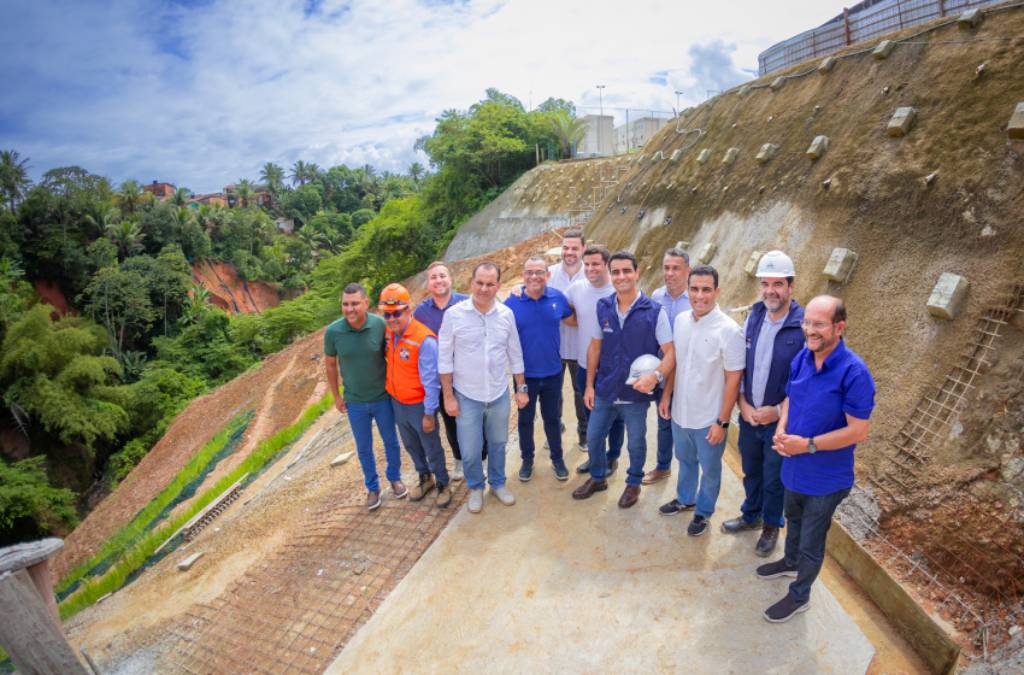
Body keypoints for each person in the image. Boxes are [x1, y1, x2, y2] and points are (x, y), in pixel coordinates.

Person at [758, 295, 875, 623]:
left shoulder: (855, 372)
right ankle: (790, 562)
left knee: (812, 538)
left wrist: (806, 445)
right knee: (792, 519)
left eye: (819, 324)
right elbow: (791, 398)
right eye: (807, 322)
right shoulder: (803, 358)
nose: (810, 330)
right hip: (794, 467)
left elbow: (858, 431)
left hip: (826, 478)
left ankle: (800, 595)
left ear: (839, 327)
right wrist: (781, 428)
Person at [572, 251, 674, 509]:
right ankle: (598, 478)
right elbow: (595, 347)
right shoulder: (604, 306)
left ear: (637, 273)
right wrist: (589, 386)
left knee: (636, 442)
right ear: (610, 274)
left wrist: (656, 376)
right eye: (615, 271)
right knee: (594, 437)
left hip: (635, 394)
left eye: (626, 270)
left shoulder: (654, 311)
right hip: (606, 388)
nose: (621, 276)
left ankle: (633, 483)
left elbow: (671, 353)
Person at [721, 251, 805, 557]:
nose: (771, 290)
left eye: (778, 284)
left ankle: (771, 526)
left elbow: (807, 384)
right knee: (751, 470)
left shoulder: (803, 327)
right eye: (765, 283)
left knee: (774, 479)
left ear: (791, 287)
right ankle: (751, 514)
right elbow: (740, 364)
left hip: (779, 423)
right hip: (749, 416)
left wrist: (779, 411)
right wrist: (742, 403)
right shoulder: (755, 316)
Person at [658, 264, 744, 536]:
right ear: (688, 289)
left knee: (709, 470)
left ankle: (703, 511)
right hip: (680, 413)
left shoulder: (729, 331)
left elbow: (733, 379)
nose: (699, 295)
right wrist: (667, 395)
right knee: (684, 460)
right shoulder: (681, 320)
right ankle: (685, 498)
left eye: (706, 289)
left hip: (708, 419)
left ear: (717, 291)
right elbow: (676, 363)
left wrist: (722, 421)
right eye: (694, 289)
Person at [438, 261, 529, 514]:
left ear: (498, 285)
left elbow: (515, 354)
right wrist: (448, 396)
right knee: (469, 450)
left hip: (498, 394)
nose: (484, 289)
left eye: (490, 284)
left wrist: (521, 389)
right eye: (480, 283)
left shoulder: (505, 315)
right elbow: (444, 359)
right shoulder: (454, 315)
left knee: (499, 443)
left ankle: (498, 484)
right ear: (471, 283)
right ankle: (476, 487)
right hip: (467, 396)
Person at [324, 283, 406, 511]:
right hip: (355, 402)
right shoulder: (333, 332)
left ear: (366, 303)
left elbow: (394, 355)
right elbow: (330, 366)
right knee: (364, 447)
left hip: (383, 397)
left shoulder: (380, 325)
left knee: (391, 441)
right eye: (345, 304)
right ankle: (372, 487)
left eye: (354, 304)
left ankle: (395, 478)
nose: (349, 309)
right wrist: (336, 397)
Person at [379, 283, 452, 509]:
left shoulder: (424, 340)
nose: (391, 318)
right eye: (387, 314)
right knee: (411, 444)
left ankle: (442, 483)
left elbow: (432, 382)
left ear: (408, 310)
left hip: (420, 404)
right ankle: (425, 477)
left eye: (396, 313)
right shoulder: (390, 335)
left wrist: (429, 413)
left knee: (431, 445)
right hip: (398, 402)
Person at [413, 261, 484, 481]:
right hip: (441, 377)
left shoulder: (467, 302)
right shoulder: (421, 312)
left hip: (469, 372)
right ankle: (460, 459)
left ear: (450, 279)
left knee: (476, 417)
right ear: (429, 283)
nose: (439, 280)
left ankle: (482, 458)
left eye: (442, 275)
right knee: (450, 420)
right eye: (434, 277)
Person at [505, 256, 574, 481]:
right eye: (529, 272)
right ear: (523, 275)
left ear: (548, 275)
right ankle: (527, 460)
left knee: (552, 418)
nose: (534, 276)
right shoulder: (511, 303)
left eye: (539, 272)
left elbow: (571, 316)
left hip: (554, 373)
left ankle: (557, 458)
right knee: (525, 420)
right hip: (524, 376)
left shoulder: (557, 298)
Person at [563, 246, 625, 475]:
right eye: (586, 264)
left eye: (595, 264)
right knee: (592, 419)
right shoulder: (577, 289)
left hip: (614, 369)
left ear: (606, 265)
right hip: (584, 366)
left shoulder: (619, 290)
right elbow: (557, 301)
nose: (590, 269)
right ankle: (595, 458)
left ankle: (612, 457)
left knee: (617, 418)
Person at [644, 247, 692, 486]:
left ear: (687, 270)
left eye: (676, 268)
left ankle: (689, 474)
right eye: (666, 268)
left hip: (688, 374)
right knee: (664, 419)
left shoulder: (695, 299)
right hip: (662, 370)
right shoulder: (656, 296)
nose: (670, 273)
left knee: (686, 426)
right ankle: (663, 467)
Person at [547, 230, 587, 450]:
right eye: (566, 248)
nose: (569, 252)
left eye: (574, 248)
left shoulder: (591, 275)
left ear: (583, 249)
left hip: (581, 347)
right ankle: (555, 428)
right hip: (554, 346)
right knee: (553, 393)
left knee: (581, 393)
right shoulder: (549, 274)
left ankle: (584, 434)